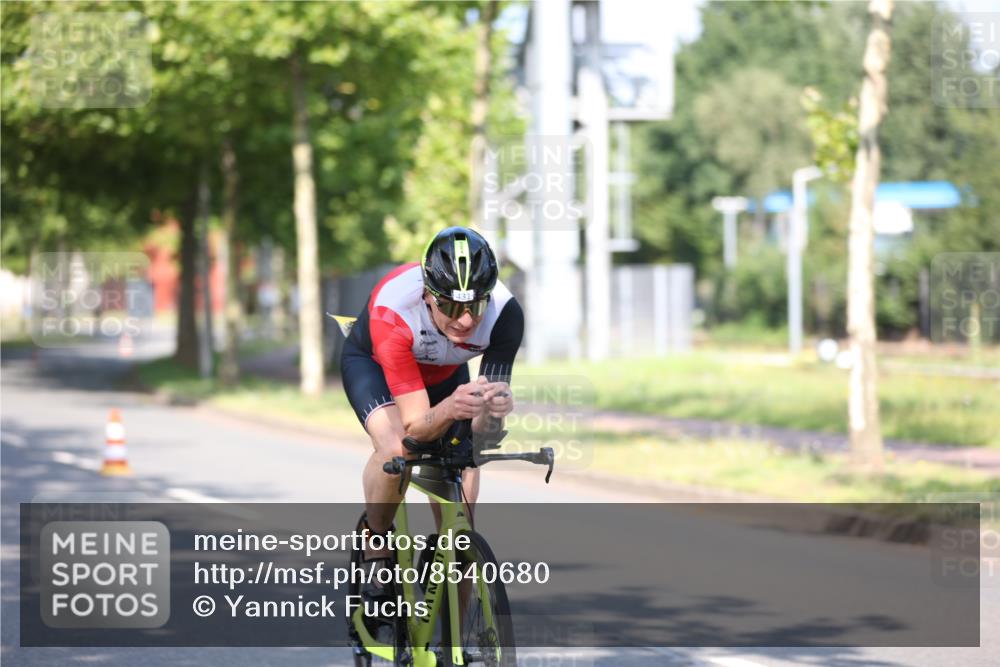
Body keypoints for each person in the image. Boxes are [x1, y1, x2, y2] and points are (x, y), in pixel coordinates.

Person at [340, 226, 523, 560]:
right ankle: (376, 543)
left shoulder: (505, 315)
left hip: (445, 372)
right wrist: (449, 410)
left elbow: (483, 436)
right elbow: (416, 427)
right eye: (451, 307)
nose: (466, 321)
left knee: (464, 462)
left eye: (476, 306)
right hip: (376, 366)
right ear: (427, 294)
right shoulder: (393, 310)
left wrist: (493, 412)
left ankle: (459, 594)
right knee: (398, 448)